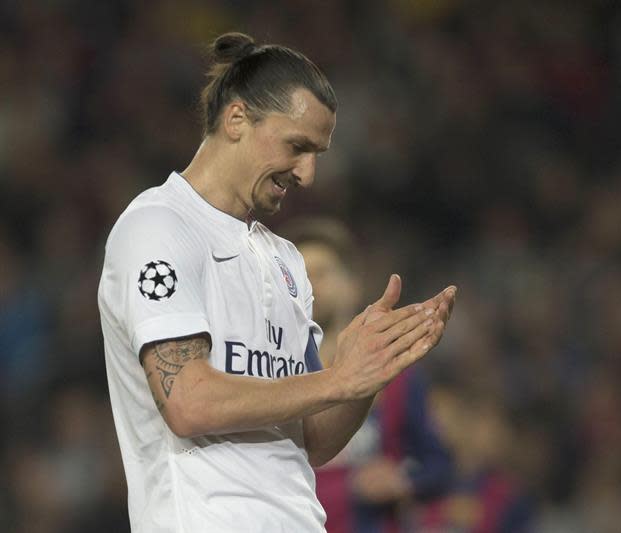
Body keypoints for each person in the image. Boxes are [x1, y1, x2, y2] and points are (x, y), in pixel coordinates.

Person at [97, 32, 456, 533]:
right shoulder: (158, 228)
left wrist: (367, 373)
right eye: (297, 146)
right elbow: (188, 402)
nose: (308, 174)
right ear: (237, 119)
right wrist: (337, 379)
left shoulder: (283, 259)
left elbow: (315, 440)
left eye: (318, 154)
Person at [286, 219, 453, 532]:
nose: (310, 285)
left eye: (321, 273)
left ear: (352, 285)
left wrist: (402, 479)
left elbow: (439, 467)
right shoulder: (273, 376)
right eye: (300, 277)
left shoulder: (396, 376)